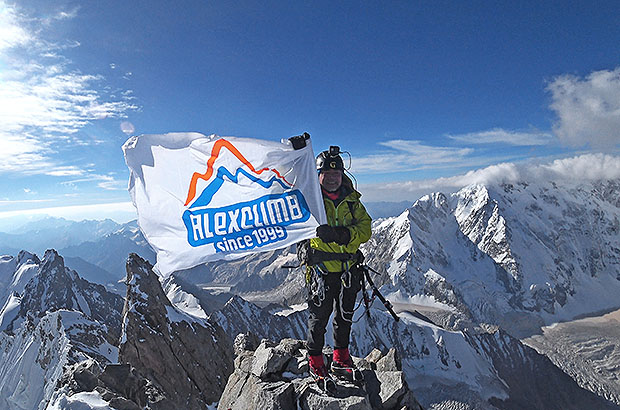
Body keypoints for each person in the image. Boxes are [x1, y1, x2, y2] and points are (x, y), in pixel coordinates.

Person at [300, 146, 372, 389]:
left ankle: (340, 359)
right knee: (319, 318)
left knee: (345, 315)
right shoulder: (309, 200)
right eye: (327, 174)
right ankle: (316, 361)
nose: (332, 178)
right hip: (322, 271)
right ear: (318, 175)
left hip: (348, 268)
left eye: (336, 174)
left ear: (342, 175)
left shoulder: (352, 201)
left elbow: (366, 229)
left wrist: (342, 235)